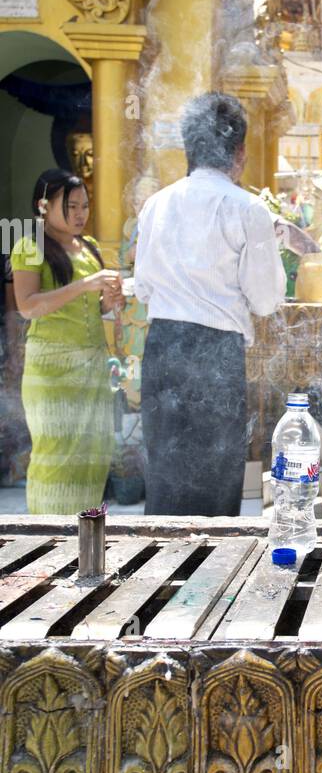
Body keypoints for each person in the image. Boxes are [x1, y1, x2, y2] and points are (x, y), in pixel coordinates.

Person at [134, 93, 286, 516]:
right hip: (216, 353)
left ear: (190, 147)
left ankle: (160, 576)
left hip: (162, 346)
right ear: (238, 153)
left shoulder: (155, 204)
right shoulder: (247, 207)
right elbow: (266, 299)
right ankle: (209, 577)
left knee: (165, 475)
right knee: (215, 484)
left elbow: (143, 286)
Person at [10, 170, 121, 514]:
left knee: (94, 453)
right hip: (53, 369)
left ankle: (86, 541)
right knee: (57, 455)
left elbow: (95, 309)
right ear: (43, 206)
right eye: (70, 206)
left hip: (92, 366)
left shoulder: (88, 248)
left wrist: (111, 300)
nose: (80, 214)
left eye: (84, 206)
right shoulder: (29, 246)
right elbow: (28, 306)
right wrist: (87, 285)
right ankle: (46, 541)